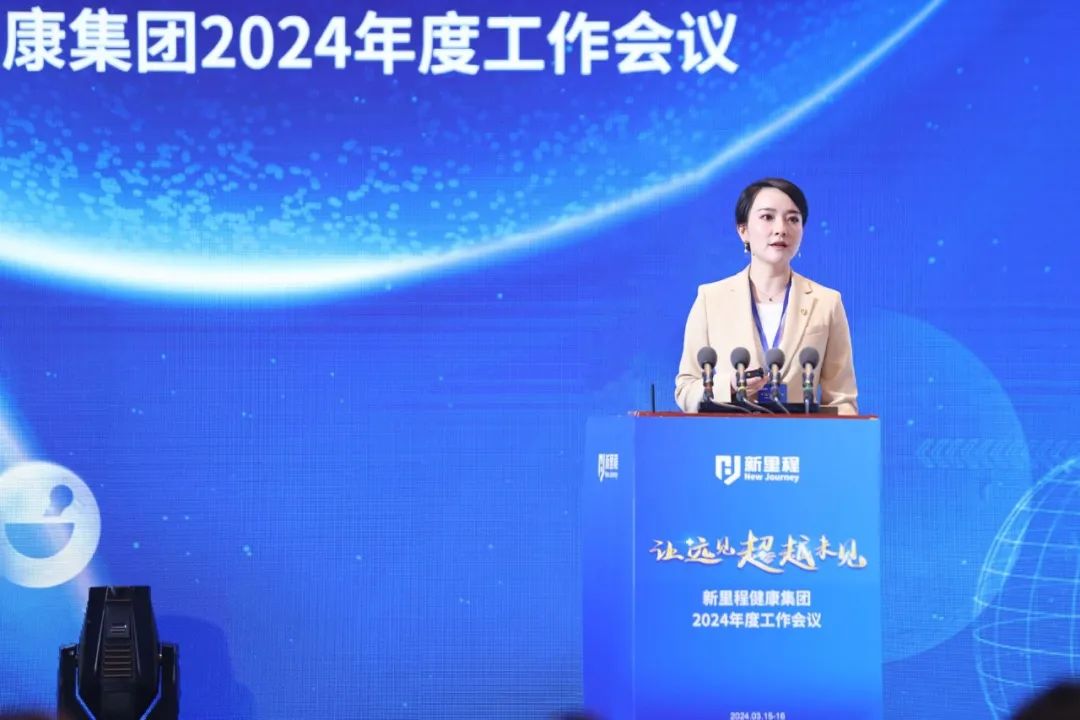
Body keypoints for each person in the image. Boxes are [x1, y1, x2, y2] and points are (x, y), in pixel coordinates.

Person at [675, 177, 858, 415]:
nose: (781, 229)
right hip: (729, 437)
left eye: (793, 219)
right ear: (743, 230)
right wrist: (729, 385)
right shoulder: (710, 299)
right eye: (767, 217)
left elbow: (842, 400)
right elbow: (685, 391)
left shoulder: (826, 302)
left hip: (801, 438)